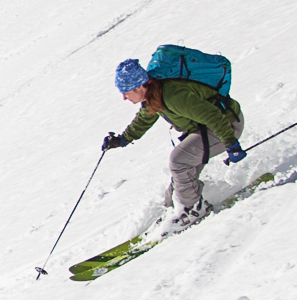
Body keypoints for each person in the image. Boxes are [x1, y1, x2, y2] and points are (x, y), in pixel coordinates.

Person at [102, 56, 246, 232]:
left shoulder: (174, 96)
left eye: (126, 91)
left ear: (139, 87)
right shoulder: (155, 95)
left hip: (225, 126)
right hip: (205, 128)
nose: (124, 97)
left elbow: (212, 116)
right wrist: (123, 139)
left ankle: (193, 209)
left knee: (179, 160)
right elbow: (144, 119)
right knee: (175, 188)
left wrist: (231, 143)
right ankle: (176, 209)